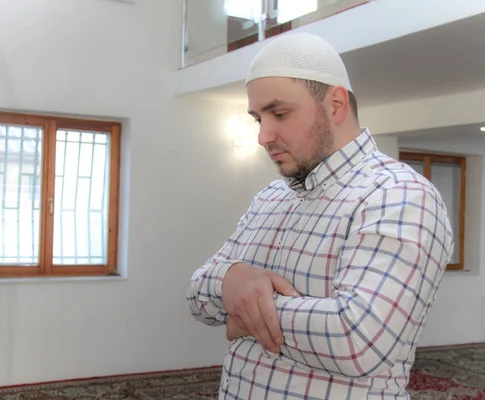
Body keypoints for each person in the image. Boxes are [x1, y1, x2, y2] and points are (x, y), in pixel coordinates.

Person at [187, 32, 454, 399]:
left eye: (279, 113)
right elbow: (197, 295)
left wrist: (241, 311)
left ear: (336, 104)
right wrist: (231, 278)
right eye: (257, 118)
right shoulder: (270, 198)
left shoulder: (399, 194)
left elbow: (357, 341)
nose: (264, 136)